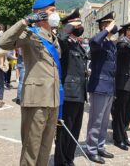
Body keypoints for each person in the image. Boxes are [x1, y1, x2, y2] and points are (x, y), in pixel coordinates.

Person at [0, 0, 62, 166]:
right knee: (31, 149)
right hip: (36, 99)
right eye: (51, 10)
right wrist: (24, 21)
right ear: (39, 14)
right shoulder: (29, 34)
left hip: (52, 99)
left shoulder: (53, 37)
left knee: (45, 147)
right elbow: (3, 42)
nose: (55, 14)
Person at [54, 8, 88, 166]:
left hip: (80, 93)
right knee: (64, 131)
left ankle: (69, 158)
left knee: (75, 129)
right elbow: (60, 38)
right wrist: (67, 26)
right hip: (69, 93)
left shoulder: (78, 46)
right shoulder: (65, 43)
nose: (80, 26)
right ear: (70, 26)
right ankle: (60, 162)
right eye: (77, 24)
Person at [85, 11, 117, 164]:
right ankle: (91, 149)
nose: (114, 25)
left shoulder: (110, 43)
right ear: (104, 25)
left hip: (109, 86)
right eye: (110, 23)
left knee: (104, 120)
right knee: (96, 120)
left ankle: (100, 146)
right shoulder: (98, 41)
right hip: (99, 85)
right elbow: (94, 42)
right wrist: (106, 30)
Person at [111, 20, 130, 151]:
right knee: (120, 112)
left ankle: (123, 135)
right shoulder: (122, 41)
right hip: (123, 82)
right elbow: (126, 51)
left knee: (127, 112)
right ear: (128, 31)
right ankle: (118, 138)